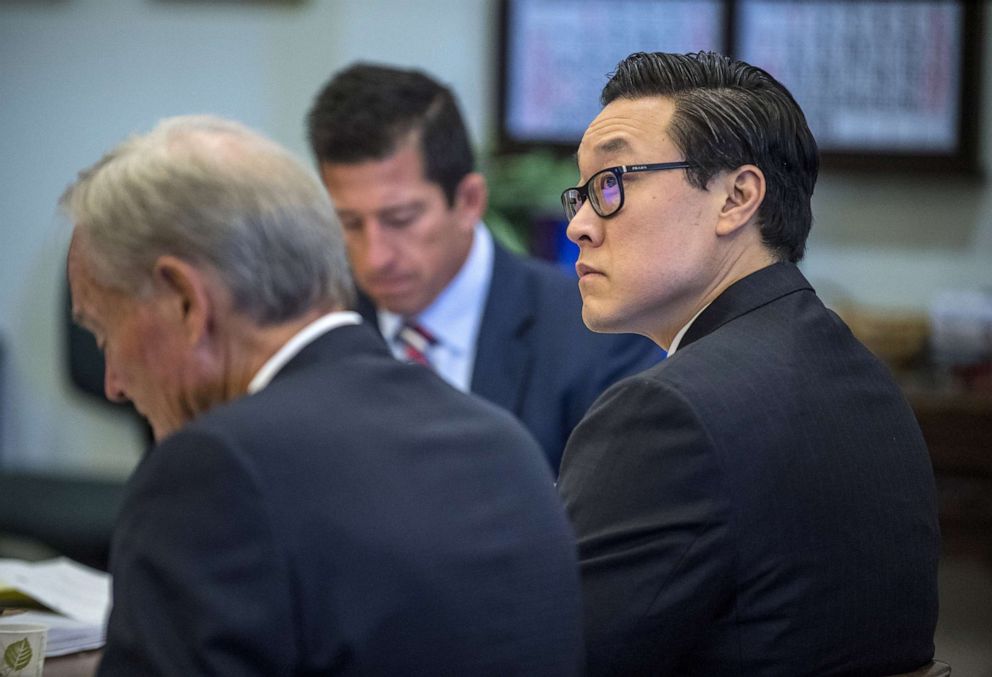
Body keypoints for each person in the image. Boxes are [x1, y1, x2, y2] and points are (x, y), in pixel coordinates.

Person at [62, 115, 583, 676]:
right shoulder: (499, 440)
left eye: (103, 330)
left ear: (186, 300)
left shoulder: (215, 473)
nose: (113, 379)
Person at [556, 51, 940, 675]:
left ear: (737, 197)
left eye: (612, 183)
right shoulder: (863, 378)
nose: (579, 225)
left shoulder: (667, 413)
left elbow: (550, 653)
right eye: (584, 191)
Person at [306, 63, 661, 472]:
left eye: (401, 219)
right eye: (350, 223)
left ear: (470, 201)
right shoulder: (316, 329)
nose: (374, 257)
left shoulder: (598, 337)